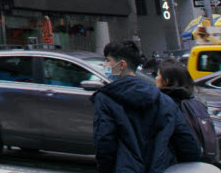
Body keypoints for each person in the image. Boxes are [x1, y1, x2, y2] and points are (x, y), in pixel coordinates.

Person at [93, 39, 200, 173]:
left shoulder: (106, 99)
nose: (104, 65)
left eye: (108, 61)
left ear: (121, 65)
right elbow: (188, 145)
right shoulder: (164, 100)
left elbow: (104, 144)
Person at [156, 57, 218, 163]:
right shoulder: (197, 102)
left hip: (177, 164)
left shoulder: (164, 104)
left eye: (158, 75)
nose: (156, 78)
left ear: (166, 81)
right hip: (203, 160)